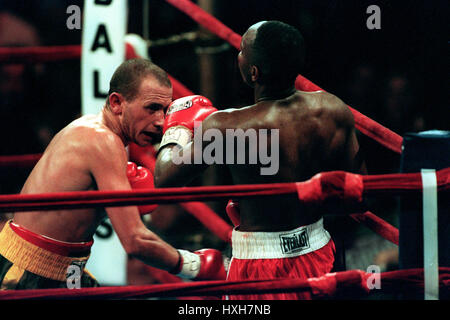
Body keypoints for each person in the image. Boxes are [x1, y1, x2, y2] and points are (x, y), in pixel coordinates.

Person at [155, 21, 365, 299]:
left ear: (254, 72)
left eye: (241, 50)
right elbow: (358, 196)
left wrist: (177, 129)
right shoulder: (333, 109)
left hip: (259, 264)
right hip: (320, 251)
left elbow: (164, 177)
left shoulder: (227, 126)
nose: (237, 54)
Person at [0, 58, 226, 290]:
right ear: (117, 103)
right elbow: (135, 241)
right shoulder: (103, 141)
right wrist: (195, 264)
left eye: (165, 110)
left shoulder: (92, 130)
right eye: (151, 108)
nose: (160, 122)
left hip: (65, 269)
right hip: (27, 270)